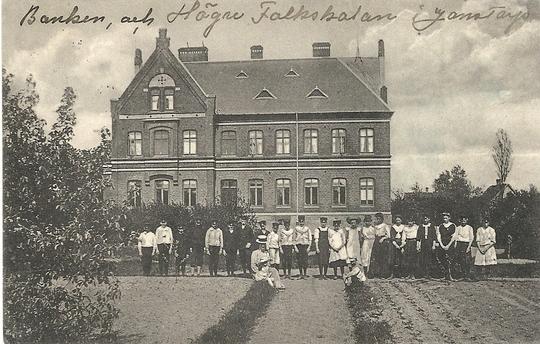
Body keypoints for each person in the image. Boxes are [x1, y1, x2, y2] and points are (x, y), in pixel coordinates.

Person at [453, 215, 474, 280]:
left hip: (466, 244)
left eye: (465, 220)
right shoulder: (458, 227)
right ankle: (462, 275)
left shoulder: (469, 228)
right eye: (462, 220)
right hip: (459, 244)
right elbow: (455, 237)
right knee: (460, 260)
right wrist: (455, 245)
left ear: (467, 220)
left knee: (467, 260)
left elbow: (471, 238)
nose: (463, 221)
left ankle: (467, 275)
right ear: (460, 221)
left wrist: (468, 247)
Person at [436, 212, 457, 281]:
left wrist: (448, 245)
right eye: (444, 218)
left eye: (446, 218)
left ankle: (451, 275)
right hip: (442, 244)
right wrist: (442, 245)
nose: (445, 219)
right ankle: (444, 275)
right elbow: (439, 236)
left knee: (450, 260)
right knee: (442, 259)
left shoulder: (453, 225)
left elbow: (454, 237)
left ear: (449, 218)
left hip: (450, 244)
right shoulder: (440, 226)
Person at [371, 213, 392, 278]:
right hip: (376, 241)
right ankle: (376, 273)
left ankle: (383, 274)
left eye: (379, 219)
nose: (378, 220)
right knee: (376, 257)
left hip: (383, 242)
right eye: (377, 219)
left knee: (383, 257)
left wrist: (383, 238)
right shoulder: (375, 226)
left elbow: (388, 235)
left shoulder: (385, 225)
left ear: (382, 219)